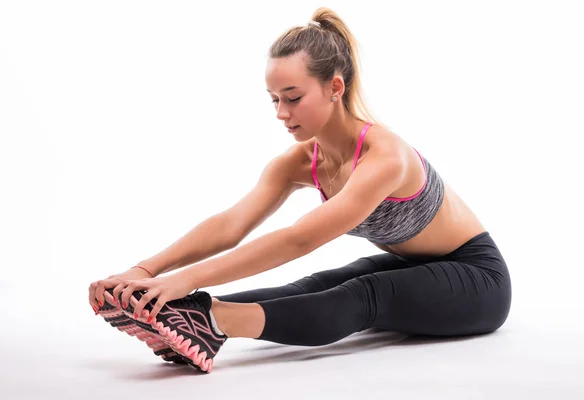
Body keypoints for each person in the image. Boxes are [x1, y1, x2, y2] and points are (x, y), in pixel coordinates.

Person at [88, 7, 511, 374]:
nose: (281, 113)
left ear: (335, 88)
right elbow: (232, 224)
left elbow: (300, 237)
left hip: (479, 280)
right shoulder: (298, 163)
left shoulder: (385, 156)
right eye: (273, 99)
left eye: (292, 97)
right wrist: (146, 272)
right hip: (414, 269)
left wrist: (182, 279)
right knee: (316, 283)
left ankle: (212, 323)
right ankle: (187, 314)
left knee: (363, 295)